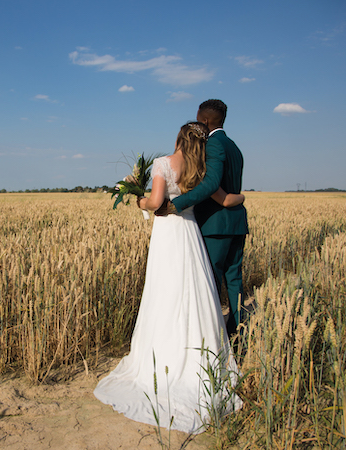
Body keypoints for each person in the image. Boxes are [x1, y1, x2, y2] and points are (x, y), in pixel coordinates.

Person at [93, 122, 243, 434]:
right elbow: (225, 199)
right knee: (193, 291)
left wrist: (137, 199)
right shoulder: (201, 170)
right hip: (190, 236)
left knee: (165, 292)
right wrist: (240, 198)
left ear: (177, 139)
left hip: (168, 234)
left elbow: (157, 203)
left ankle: (162, 358)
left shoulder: (163, 163)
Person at [168, 100, 249, 338]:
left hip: (216, 225)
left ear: (204, 120)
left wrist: (177, 204)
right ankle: (238, 332)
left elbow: (212, 183)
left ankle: (212, 338)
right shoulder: (233, 146)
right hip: (236, 222)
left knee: (210, 282)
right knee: (235, 280)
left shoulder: (213, 145)